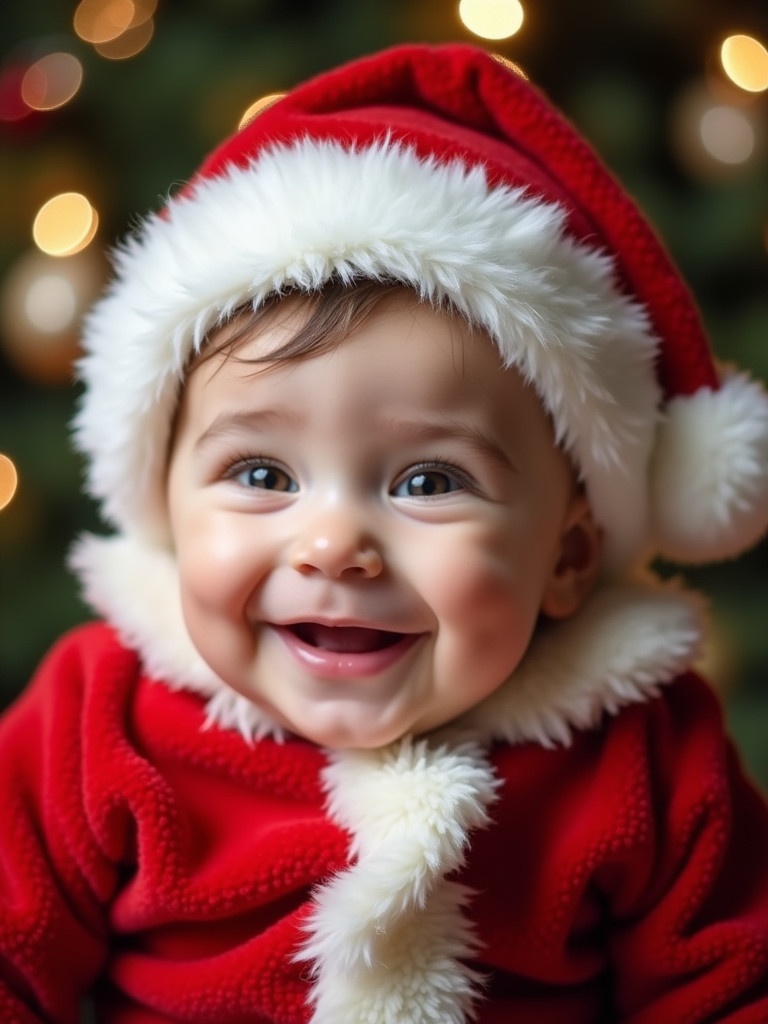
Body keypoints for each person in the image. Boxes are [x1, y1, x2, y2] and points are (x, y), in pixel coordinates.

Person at [1, 41, 768, 1024]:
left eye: (428, 479)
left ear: (568, 556)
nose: (333, 545)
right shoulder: (98, 716)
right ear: (166, 498)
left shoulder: (645, 755)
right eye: (262, 473)